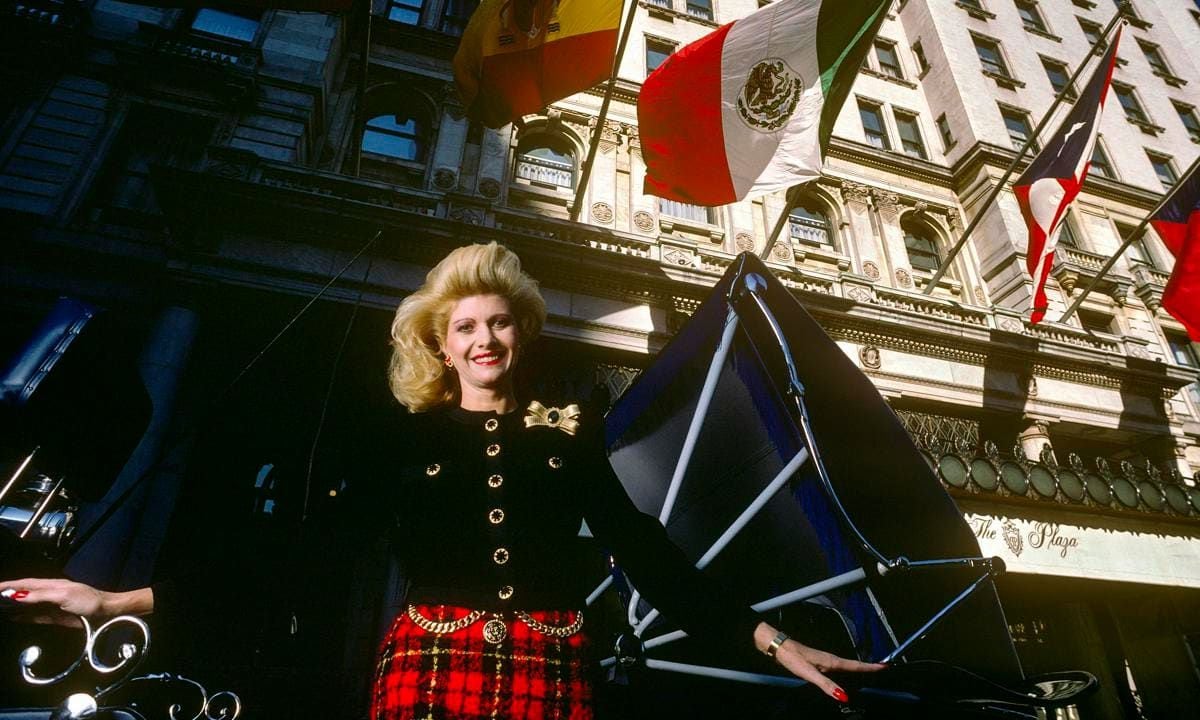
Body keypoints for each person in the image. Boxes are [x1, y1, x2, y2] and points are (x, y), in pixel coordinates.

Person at [3, 242, 882, 718]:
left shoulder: (563, 436)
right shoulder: (403, 442)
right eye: (465, 328)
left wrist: (766, 638)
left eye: (500, 324)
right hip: (429, 666)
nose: (484, 342)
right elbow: (302, 551)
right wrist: (118, 603)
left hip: (551, 666)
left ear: (521, 336)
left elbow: (644, 551)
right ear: (440, 343)